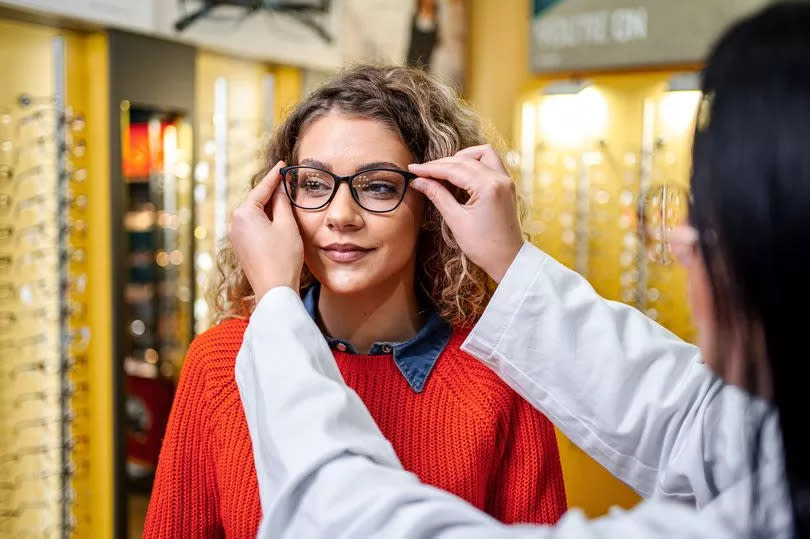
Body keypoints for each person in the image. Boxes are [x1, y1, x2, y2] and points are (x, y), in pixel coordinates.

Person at [229, 3, 809, 538]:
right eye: (313, 184)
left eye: (706, 224)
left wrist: (279, 310)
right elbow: (687, 415)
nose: (680, 245)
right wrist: (511, 264)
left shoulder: (492, 389)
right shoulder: (216, 365)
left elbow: (343, 518)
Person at [143, 65, 568, 538]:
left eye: (379, 186)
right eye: (314, 185)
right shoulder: (220, 364)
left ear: (432, 205)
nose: (341, 215)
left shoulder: (499, 377)